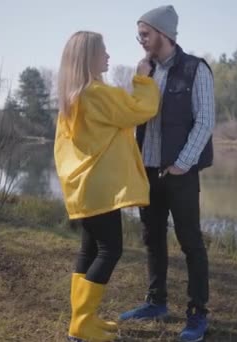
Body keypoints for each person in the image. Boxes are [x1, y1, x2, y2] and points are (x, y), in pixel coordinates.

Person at [54, 30, 159, 342]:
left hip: (83, 187)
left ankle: (82, 319)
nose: (109, 56)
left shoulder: (73, 95)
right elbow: (141, 110)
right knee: (111, 249)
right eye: (103, 51)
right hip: (99, 187)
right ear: (89, 58)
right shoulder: (96, 93)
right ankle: (82, 324)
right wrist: (143, 79)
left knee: (89, 250)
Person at [118, 5, 215, 342]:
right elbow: (132, 115)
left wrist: (182, 164)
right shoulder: (145, 71)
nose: (140, 40)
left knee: (191, 244)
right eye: (139, 34)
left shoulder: (195, 70)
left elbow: (204, 121)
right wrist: (138, 79)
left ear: (164, 34)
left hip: (180, 174)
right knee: (152, 240)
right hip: (147, 172)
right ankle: (156, 303)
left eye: (145, 34)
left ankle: (197, 314)